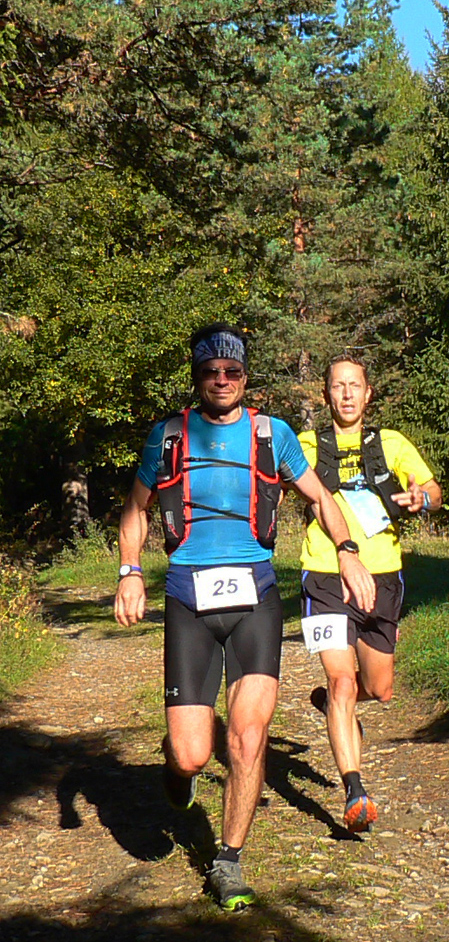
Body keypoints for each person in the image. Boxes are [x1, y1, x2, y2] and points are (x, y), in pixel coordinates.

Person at [113, 324, 374, 912]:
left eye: (232, 371)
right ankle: (177, 771)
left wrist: (347, 550)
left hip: (255, 597)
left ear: (245, 376)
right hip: (188, 597)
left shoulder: (272, 434)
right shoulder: (169, 436)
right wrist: (130, 571)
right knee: (191, 753)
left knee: (248, 735)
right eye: (211, 372)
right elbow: (135, 508)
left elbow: (320, 497)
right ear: (198, 377)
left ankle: (227, 861)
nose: (222, 381)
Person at [298, 354, 441, 833]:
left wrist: (422, 498)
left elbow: (433, 489)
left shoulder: (391, 443)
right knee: (342, 682)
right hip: (326, 575)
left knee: (379, 690)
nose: (346, 394)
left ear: (368, 393)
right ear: (325, 395)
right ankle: (355, 790)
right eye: (338, 386)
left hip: (383, 577)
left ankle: (334, 706)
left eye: (354, 385)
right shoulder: (307, 445)